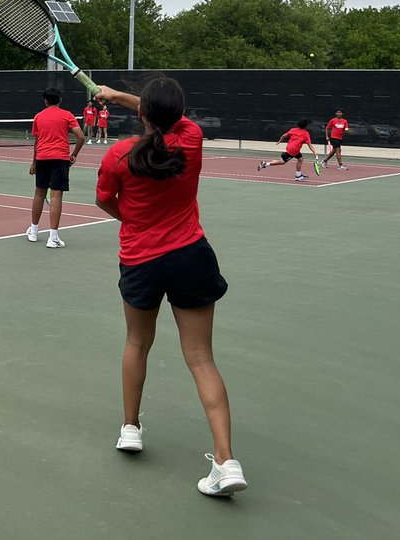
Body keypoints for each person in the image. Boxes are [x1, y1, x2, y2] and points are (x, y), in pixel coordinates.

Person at [94, 77, 247, 497]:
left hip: (141, 260)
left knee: (137, 343)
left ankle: (130, 428)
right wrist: (120, 96)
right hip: (191, 256)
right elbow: (160, 113)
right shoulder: (192, 139)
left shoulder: (118, 155)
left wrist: (136, 221)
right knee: (201, 359)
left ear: (142, 114)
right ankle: (225, 460)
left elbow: (105, 201)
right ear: (179, 115)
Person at [25, 87, 85, 249]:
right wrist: (74, 155)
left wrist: (34, 162)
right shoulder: (67, 115)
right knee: (56, 196)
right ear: (60, 100)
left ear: (45, 101)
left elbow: (37, 142)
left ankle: (34, 231)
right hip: (60, 159)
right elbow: (81, 136)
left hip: (42, 158)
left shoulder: (38, 116)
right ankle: (53, 238)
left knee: (39, 193)